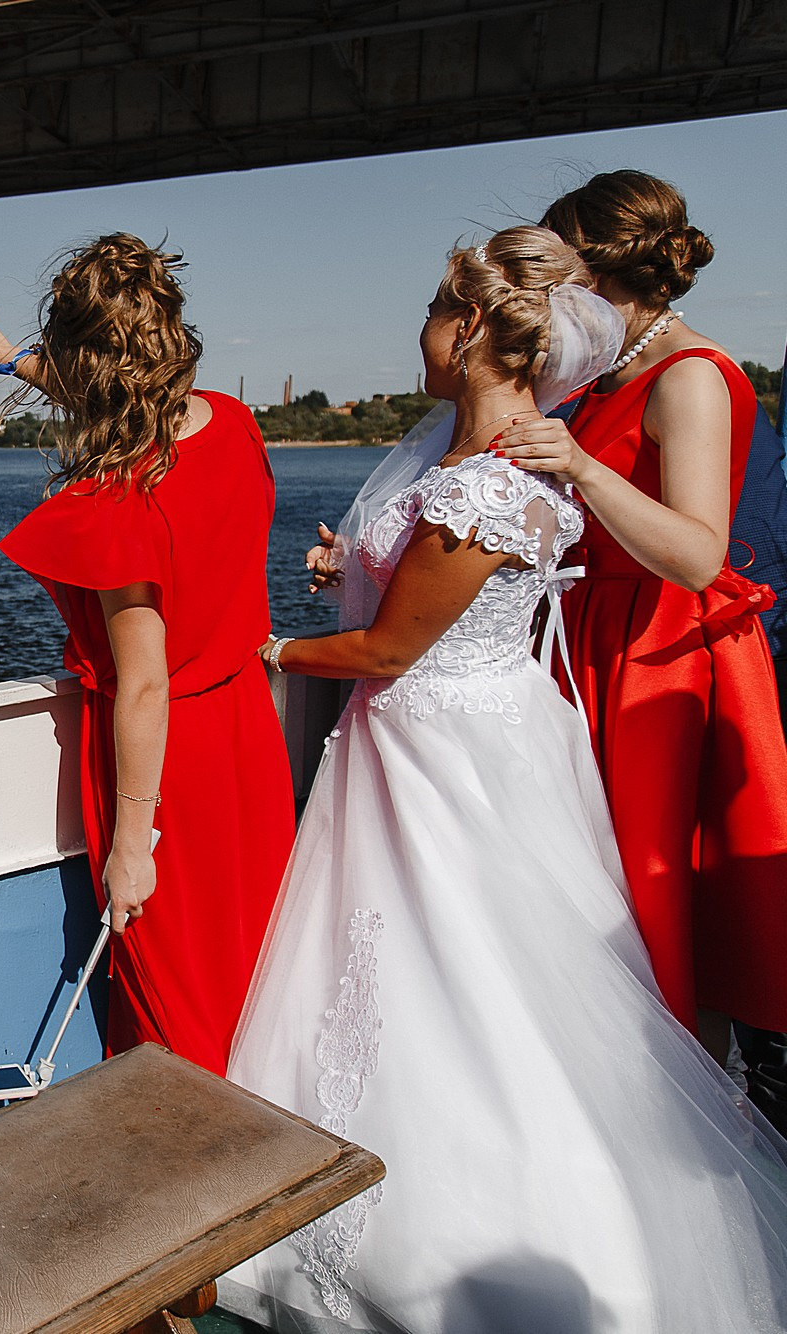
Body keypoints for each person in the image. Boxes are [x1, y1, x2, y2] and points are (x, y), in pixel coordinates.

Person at [224, 226, 787, 1333]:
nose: (420, 335)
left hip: (435, 746)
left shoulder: (482, 485)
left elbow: (389, 653)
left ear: (471, 327)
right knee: (458, 966)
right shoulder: (479, 465)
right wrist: (358, 564)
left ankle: (480, 1243)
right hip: (476, 732)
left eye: (433, 314)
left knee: (459, 972)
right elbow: (438, 595)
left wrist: (273, 655)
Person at [0, 233, 294, 1077]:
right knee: (255, 968)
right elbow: (124, 403)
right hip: (248, 731)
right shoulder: (235, 423)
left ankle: (207, 1168)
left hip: (168, 761)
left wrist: (134, 842)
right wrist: (10, 362)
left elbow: (142, 686)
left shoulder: (121, 496)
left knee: (180, 997)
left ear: (80, 350)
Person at [486, 171, 787, 1051]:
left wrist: (579, 467)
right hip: (592, 636)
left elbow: (698, 553)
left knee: (654, 903)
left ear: (594, 269)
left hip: (657, 654)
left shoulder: (692, 376)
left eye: (552, 274)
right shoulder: (614, 373)